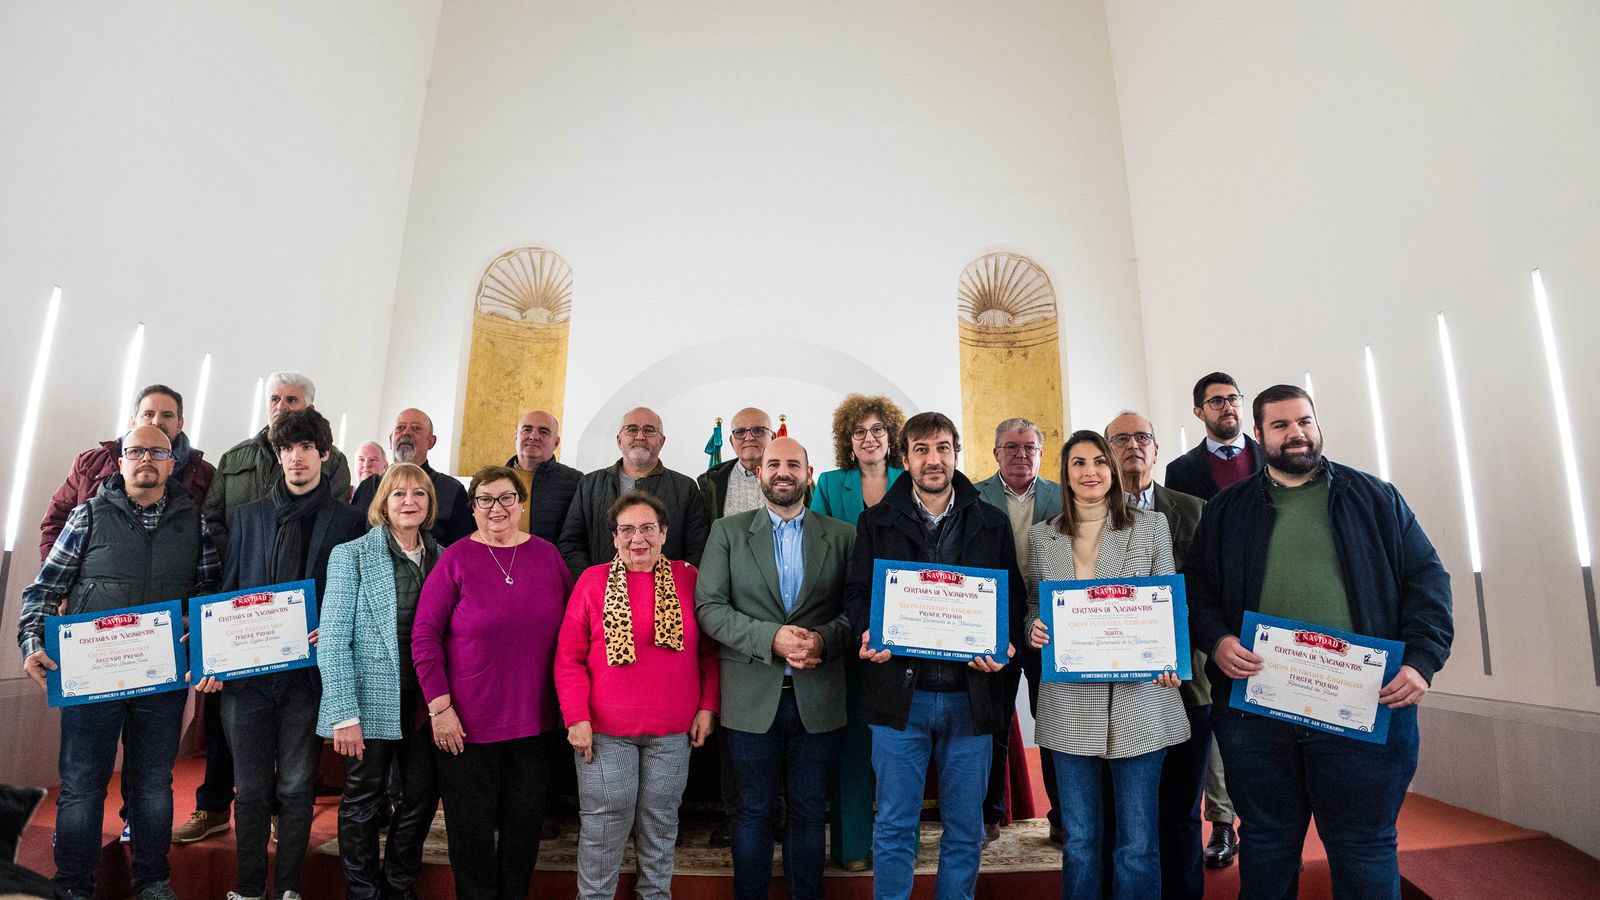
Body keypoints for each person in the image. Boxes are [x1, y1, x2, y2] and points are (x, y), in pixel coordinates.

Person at [1186, 385, 1453, 899]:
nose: (1297, 434)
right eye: (1281, 426)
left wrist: (1421, 661)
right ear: (1258, 435)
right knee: (1266, 843)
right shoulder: (1226, 511)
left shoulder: (1376, 498)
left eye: (1304, 421)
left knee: (1363, 845)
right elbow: (1197, 590)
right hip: (1258, 715)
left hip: (1363, 707)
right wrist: (1216, 640)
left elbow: (1429, 581)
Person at [16, 424, 218, 900]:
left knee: (152, 787)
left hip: (161, 680)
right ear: (121, 461)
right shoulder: (86, 516)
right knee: (83, 788)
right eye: (136, 451)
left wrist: (201, 637)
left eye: (157, 452)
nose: (146, 459)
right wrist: (31, 641)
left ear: (173, 464)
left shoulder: (196, 523)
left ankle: (152, 882)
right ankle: (73, 888)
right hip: (91, 679)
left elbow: (209, 593)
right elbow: (44, 591)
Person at [845, 412, 1023, 900]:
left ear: (956, 454)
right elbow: (858, 594)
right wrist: (867, 631)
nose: (933, 459)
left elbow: (1011, 600)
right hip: (901, 698)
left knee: (965, 829)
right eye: (921, 449)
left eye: (943, 448)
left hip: (972, 696)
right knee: (896, 826)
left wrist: (1002, 644)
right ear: (904, 459)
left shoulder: (991, 521)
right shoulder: (875, 521)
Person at [195, 408, 365, 900]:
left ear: (324, 456)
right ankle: (249, 890)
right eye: (287, 449)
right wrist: (212, 660)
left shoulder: (349, 522)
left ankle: (288, 889)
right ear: (278, 455)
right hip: (247, 682)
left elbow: (356, 599)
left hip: (307, 682)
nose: (296, 457)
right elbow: (227, 595)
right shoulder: (246, 518)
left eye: (307, 448)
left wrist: (331, 629)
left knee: (294, 789)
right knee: (249, 792)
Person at [1025, 430, 1189, 900]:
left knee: (1138, 843)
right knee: (1080, 840)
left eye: (1098, 461)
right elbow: (1035, 608)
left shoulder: (1150, 526)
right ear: (1066, 474)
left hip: (1141, 703)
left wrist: (1169, 658)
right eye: (1078, 463)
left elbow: (1166, 603)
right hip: (1070, 706)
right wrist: (1034, 629)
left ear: (1112, 470)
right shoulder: (1043, 538)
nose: (1090, 471)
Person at [696, 437, 855, 900]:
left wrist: (824, 639)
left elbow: (857, 611)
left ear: (809, 473)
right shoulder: (727, 531)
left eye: (792, 464)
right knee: (751, 811)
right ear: (759, 474)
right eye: (773, 464)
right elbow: (709, 607)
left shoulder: (842, 535)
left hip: (819, 694)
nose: (782, 472)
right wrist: (771, 638)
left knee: (809, 812)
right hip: (749, 697)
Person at [413, 466, 573, 900]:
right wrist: (439, 709)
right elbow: (424, 634)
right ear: (473, 507)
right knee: (471, 837)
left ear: (522, 504)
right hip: (465, 727)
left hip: (536, 723)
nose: (496, 508)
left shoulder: (547, 556)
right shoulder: (456, 559)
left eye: (505, 498)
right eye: (485, 499)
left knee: (523, 835)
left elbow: (574, 632)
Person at [556, 492, 718, 900]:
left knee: (661, 825)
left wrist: (708, 706)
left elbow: (709, 652)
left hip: (672, 732)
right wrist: (576, 717)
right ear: (614, 537)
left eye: (648, 528)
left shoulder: (689, 578)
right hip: (605, 732)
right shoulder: (591, 581)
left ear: (664, 533)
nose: (637, 538)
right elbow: (568, 658)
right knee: (603, 827)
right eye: (626, 529)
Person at [317, 463, 442, 899]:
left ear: (430, 504)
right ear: (383, 504)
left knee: (423, 795)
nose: (409, 501)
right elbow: (332, 641)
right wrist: (343, 713)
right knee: (363, 799)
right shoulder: (350, 555)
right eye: (398, 494)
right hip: (368, 699)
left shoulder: (443, 556)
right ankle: (364, 892)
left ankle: (398, 885)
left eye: (419, 494)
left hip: (425, 701)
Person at [1104, 411, 1209, 899]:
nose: (1132, 446)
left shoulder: (1194, 509)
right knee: (1120, 814)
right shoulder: (1088, 513)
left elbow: (1212, 593)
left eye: (1142, 437)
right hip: (1112, 688)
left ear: (1157, 447)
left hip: (1186, 684)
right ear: (1107, 451)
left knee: (1182, 811)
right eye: (1120, 439)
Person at [810, 392, 906, 871]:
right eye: (860, 432)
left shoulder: (908, 481)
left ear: (891, 438)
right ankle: (852, 847)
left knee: (897, 740)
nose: (869, 439)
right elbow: (825, 552)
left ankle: (896, 840)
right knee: (852, 740)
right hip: (850, 622)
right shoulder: (830, 483)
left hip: (906, 623)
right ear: (848, 440)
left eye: (877, 431)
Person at [972, 417, 1064, 845]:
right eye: (1011, 447)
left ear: (1040, 454)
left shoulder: (1061, 496)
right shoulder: (972, 496)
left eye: (1029, 447)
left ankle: (1063, 816)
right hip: (995, 625)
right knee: (994, 722)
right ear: (996, 453)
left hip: (1052, 628)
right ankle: (990, 813)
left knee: (1054, 723)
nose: (1021, 454)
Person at [38, 384, 215, 562]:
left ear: (180, 424)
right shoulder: (91, 463)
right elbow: (57, 520)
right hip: (96, 580)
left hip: (174, 582)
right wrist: (58, 570)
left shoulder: (204, 473)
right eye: (148, 414)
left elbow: (211, 534)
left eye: (167, 415)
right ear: (133, 420)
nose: (156, 421)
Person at [559, 407, 710, 578]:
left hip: (666, 597)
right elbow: (571, 543)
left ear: (662, 441)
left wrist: (674, 586)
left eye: (649, 430)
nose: (640, 436)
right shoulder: (589, 484)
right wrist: (594, 581)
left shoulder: (685, 488)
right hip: (601, 595)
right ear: (619, 440)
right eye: (631, 429)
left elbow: (697, 549)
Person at [350, 409, 475, 547]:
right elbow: (354, 539)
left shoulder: (451, 490)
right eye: (400, 428)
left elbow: (460, 550)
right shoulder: (368, 487)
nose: (406, 433)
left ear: (431, 442)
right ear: (391, 440)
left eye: (416, 428)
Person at [1163, 371, 1264, 502]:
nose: (1228, 407)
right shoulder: (1179, 471)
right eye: (1217, 401)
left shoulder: (1271, 456)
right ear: (1199, 413)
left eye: (1233, 399)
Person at [505, 409, 581, 544]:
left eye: (543, 432)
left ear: (556, 443)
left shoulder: (576, 482)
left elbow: (577, 537)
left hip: (549, 562)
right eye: (527, 429)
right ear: (516, 437)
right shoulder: (491, 480)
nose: (533, 436)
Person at [697, 407, 773, 522]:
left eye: (758, 430)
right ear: (732, 442)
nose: (749, 438)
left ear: (773, 437)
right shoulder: (711, 482)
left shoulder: (795, 478)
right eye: (740, 432)